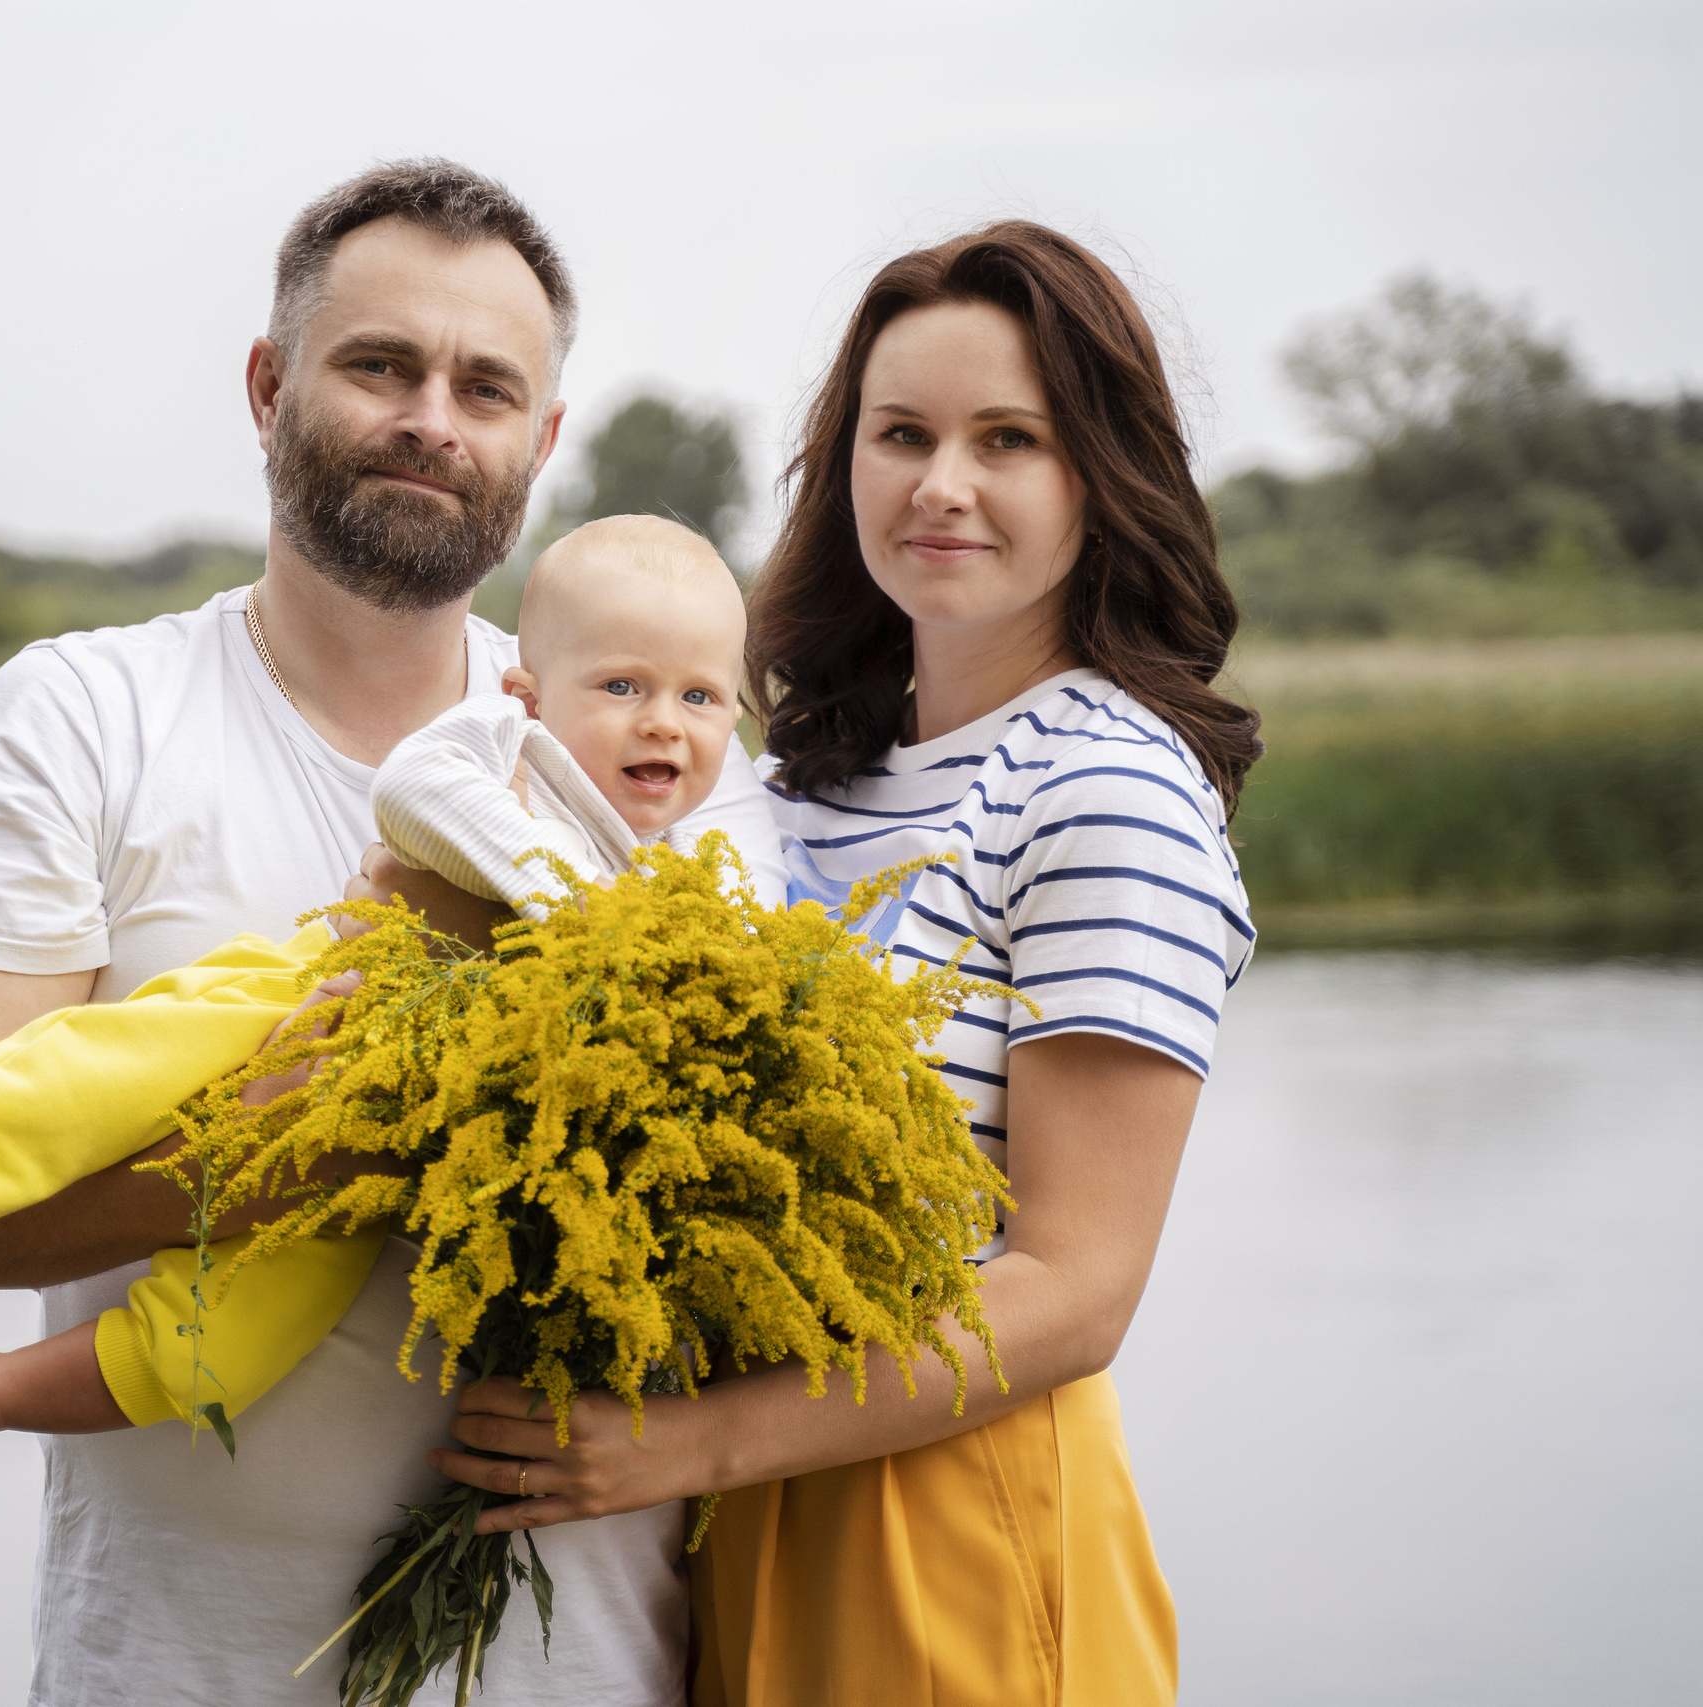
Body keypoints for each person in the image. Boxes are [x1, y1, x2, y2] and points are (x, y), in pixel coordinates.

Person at [0, 162, 776, 1707]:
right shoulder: (79, 720)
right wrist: (360, 1136)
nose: (432, 419)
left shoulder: (654, 743)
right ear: (269, 386)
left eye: (486, 387)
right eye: (380, 364)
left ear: (542, 441)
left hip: (596, 1669)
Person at [422, 221, 1263, 1706]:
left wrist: (686, 1444)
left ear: (1100, 474)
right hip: (751, 1506)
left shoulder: (1106, 785)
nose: (943, 484)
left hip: (954, 1506)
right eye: (902, 434)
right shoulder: (802, 778)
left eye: (1010, 438)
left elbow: (1075, 1287)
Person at [0, 517, 757, 1509]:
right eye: (622, 687)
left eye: (701, 698)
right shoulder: (494, 753)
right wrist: (585, 924)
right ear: (526, 694)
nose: (664, 720)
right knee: (97, 1076)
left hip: (396, 1134)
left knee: (216, 1356)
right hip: (312, 1001)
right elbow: (418, 799)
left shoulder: (697, 855)